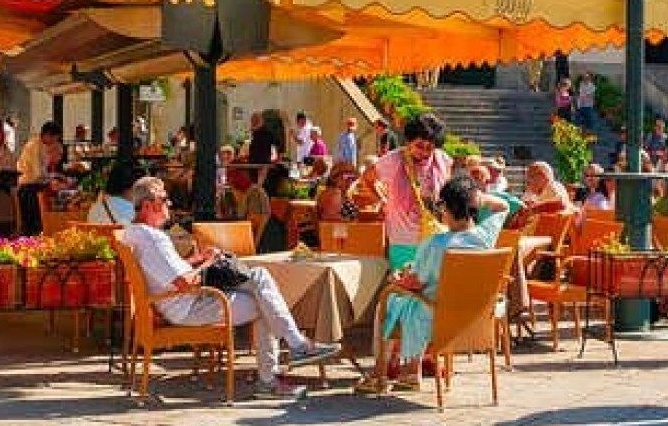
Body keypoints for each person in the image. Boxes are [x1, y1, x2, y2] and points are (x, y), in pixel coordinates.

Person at [119, 175, 340, 399]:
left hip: (179, 303)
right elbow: (185, 282)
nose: (169, 204)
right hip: (190, 306)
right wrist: (209, 263)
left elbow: (171, 274)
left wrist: (196, 260)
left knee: (262, 287)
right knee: (264, 294)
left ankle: (284, 362)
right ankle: (286, 360)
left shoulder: (134, 233)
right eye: (164, 199)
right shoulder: (153, 239)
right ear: (147, 205)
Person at [357, 172, 497, 393]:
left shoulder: (435, 243)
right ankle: (411, 372)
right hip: (474, 315)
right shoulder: (487, 236)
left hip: (437, 317)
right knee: (418, 299)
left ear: (446, 208)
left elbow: (415, 283)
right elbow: (504, 207)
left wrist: (398, 280)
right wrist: (476, 197)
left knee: (390, 300)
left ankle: (379, 373)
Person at [351, 112, 453, 268]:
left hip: (435, 238)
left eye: (429, 148)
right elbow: (367, 178)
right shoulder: (392, 160)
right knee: (404, 288)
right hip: (403, 240)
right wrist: (382, 200)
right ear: (408, 142)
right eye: (419, 146)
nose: (424, 152)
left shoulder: (443, 160)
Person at [17, 120, 67, 234]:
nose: (55, 142)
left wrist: (56, 176)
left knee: (39, 224)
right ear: (47, 135)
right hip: (29, 189)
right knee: (33, 226)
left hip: (36, 188)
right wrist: (55, 178)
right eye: (54, 139)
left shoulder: (42, 146)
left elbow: (43, 173)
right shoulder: (34, 146)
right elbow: (37, 175)